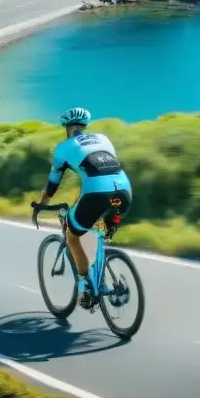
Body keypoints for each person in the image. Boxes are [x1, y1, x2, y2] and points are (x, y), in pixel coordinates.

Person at [32, 106, 132, 308]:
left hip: (96, 193)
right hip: (124, 191)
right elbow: (102, 169)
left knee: (72, 235)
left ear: (67, 127)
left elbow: (53, 183)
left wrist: (41, 205)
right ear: (84, 126)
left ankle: (87, 286)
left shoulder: (63, 148)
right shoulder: (104, 139)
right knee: (102, 228)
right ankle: (106, 269)